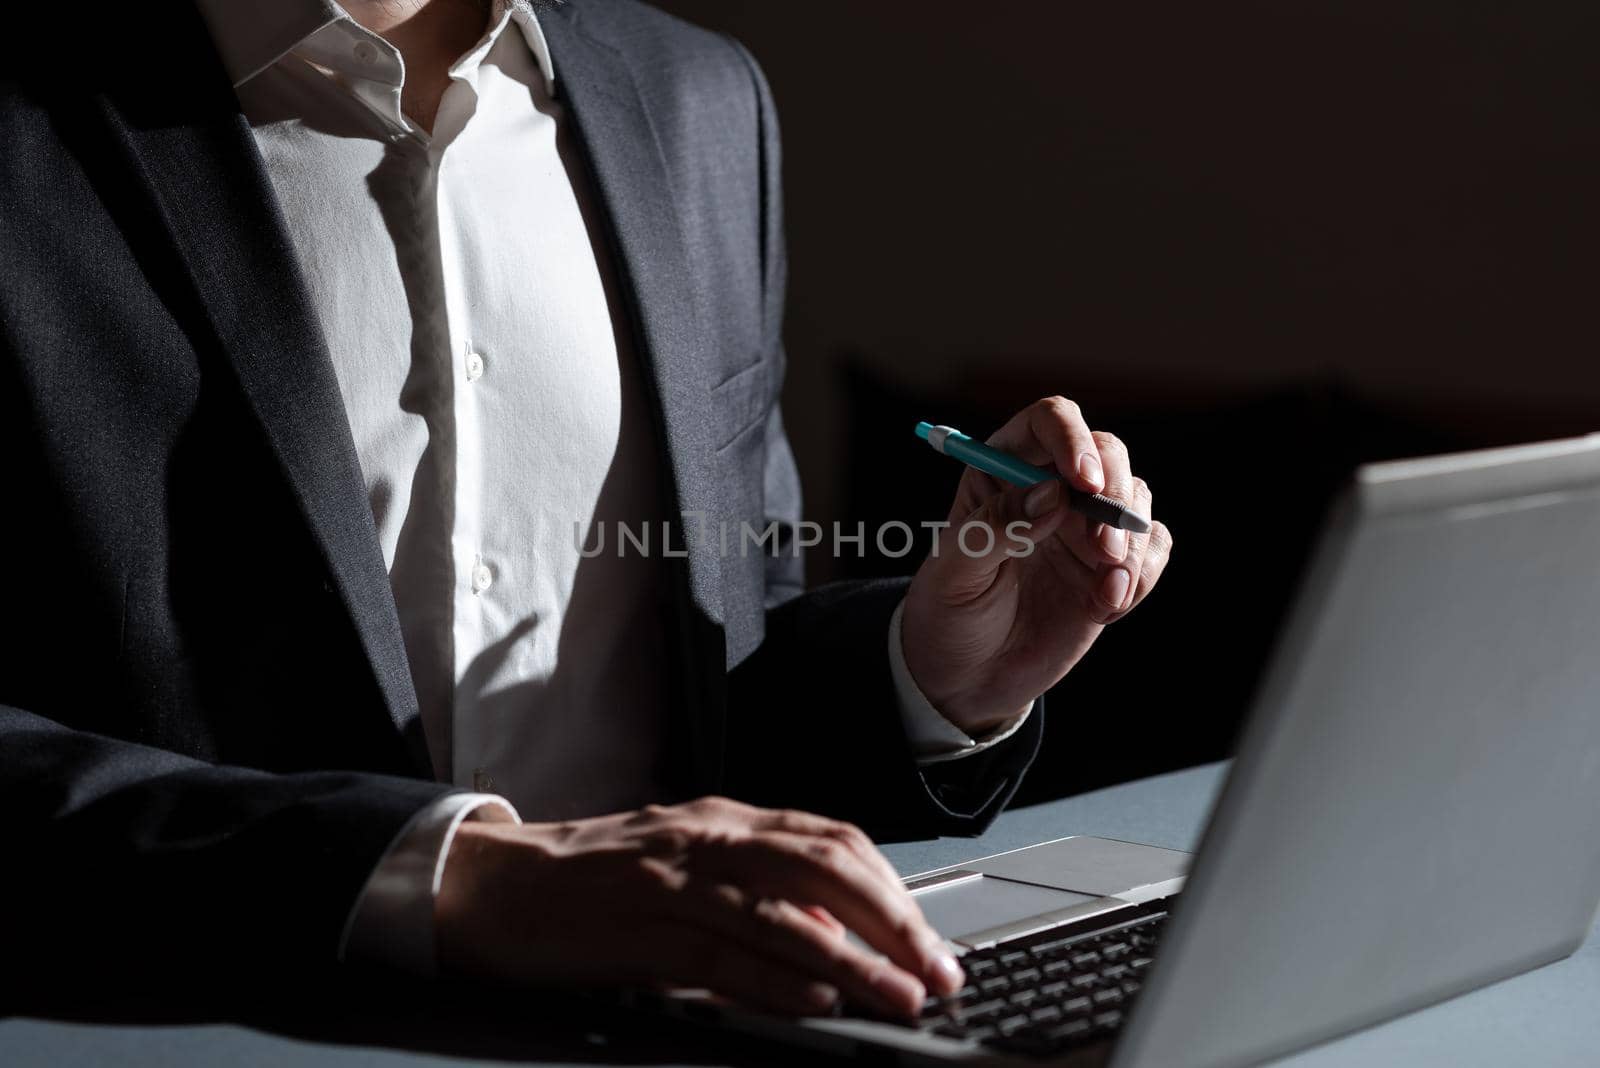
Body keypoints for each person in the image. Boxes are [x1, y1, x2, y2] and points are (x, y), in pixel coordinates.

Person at [0, 0, 1170, 1020]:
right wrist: (459, 880)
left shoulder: (695, 97)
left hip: (684, 1026)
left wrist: (931, 676)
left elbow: (719, 676)